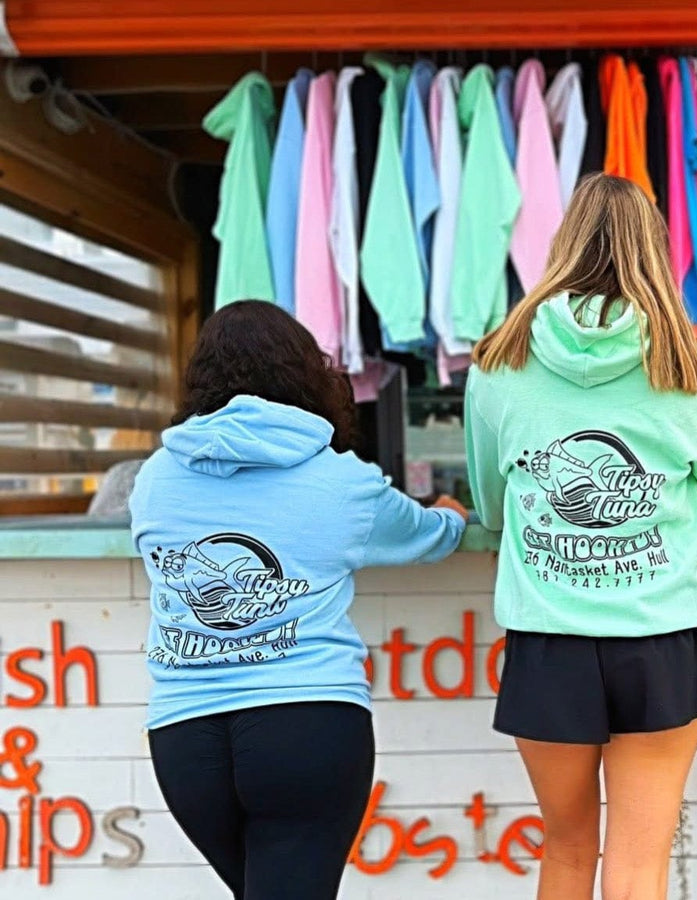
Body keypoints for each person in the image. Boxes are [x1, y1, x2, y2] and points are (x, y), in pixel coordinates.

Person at [465, 173, 697, 900]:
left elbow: (491, 506)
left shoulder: (498, 366)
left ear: (562, 247)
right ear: (656, 252)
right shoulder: (695, 373)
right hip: (659, 642)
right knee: (638, 867)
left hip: (548, 640)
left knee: (564, 850)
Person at [130, 301, 467, 900]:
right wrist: (453, 515)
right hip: (306, 727)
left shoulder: (155, 477)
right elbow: (427, 536)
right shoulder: (341, 481)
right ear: (306, 374)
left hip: (184, 741)